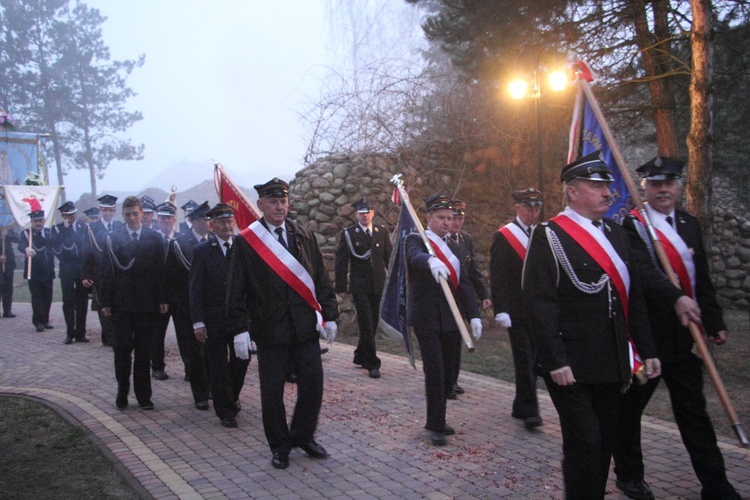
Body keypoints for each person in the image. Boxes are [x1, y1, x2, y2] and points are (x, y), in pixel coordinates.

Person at [522, 152, 661, 498]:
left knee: (604, 442)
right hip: (572, 364)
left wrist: (647, 349)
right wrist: (555, 360)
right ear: (572, 191)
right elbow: (540, 303)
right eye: (596, 186)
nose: (606, 193)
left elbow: (635, 297)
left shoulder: (615, 233)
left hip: (613, 362)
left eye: (607, 186)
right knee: (585, 442)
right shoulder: (550, 235)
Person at [612, 156, 741, 500]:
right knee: (629, 410)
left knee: (693, 413)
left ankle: (716, 486)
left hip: (685, 336)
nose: (663, 189)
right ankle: (629, 475)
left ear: (679, 186)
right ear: (645, 189)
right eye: (655, 184)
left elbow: (701, 277)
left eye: (668, 183)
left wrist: (713, 320)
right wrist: (675, 297)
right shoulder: (631, 226)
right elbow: (641, 271)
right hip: (648, 337)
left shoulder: (688, 223)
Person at [226, 178, 338, 470]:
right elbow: (236, 290)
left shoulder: (303, 234)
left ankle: (302, 435)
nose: (279, 206)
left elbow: (320, 280)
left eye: (283, 201)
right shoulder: (247, 241)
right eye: (273, 202)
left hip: (303, 327)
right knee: (272, 392)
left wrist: (330, 315)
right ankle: (280, 445)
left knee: (313, 385)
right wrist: (239, 329)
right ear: (261, 205)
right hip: (269, 329)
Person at [405, 194, 482, 446]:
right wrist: (430, 259)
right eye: (441, 218)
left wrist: (474, 315)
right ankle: (435, 423)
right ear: (429, 218)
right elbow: (414, 256)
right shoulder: (417, 239)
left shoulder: (456, 245)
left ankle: (438, 417)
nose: (447, 222)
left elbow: (466, 282)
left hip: (452, 318)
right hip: (427, 318)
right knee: (435, 371)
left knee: (449, 373)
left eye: (450, 218)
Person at [100, 196, 168, 411]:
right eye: (128, 214)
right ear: (123, 215)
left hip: (146, 305)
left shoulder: (154, 238)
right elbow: (106, 272)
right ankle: (122, 392)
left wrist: (162, 298)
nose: (131, 217)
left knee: (144, 352)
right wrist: (106, 302)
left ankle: (144, 396)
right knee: (121, 351)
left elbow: (160, 272)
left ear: (143, 214)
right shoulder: (113, 238)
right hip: (121, 305)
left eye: (135, 213)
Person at [190, 203, 250, 428]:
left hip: (239, 318)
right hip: (213, 317)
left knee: (242, 359)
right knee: (217, 364)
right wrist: (198, 322)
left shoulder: (243, 247)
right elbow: (195, 289)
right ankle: (225, 410)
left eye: (229, 221)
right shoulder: (202, 251)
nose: (227, 225)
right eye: (221, 222)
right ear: (212, 225)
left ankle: (231, 395)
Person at [489, 188, 544, 428]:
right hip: (517, 310)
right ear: (518, 208)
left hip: (539, 309)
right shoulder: (505, 236)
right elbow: (498, 277)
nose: (533, 213)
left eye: (537, 208)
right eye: (529, 208)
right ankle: (531, 410)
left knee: (537, 357)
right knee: (524, 359)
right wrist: (501, 309)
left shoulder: (543, 233)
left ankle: (521, 404)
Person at [334, 198, 392, 379]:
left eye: (367, 212)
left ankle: (360, 354)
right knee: (366, 322)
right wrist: (341, 286)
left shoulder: (381, 232)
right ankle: (372, 363)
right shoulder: (349, 234)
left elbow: (388, 258)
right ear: (356, 215)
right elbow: (341, 261)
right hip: (360, 286)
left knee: (373, 322)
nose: (365, 216)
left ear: (373, 213)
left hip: (378, 285)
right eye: (361, 213)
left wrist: (395, 282)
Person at [164, 201, 211, 392]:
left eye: (209, 218)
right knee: (193, 349)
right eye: (204, 219)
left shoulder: (215, 241)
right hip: (187, 304)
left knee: (211, 350)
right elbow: (170, 275)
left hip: (211, 305)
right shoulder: (180, 244)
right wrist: (173, 302)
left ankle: (211, 386)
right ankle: (199, 392)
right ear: (194, 221)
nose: (208, 222)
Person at [447, 199, 491, 397]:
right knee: (448, 339)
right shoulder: (440, 240)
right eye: (454, 218)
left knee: (457, 340)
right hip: (447, 298)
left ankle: (452, 379)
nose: (457, 223)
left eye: (460, 219)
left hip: (463, 297)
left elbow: (472, 271)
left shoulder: (466, 239)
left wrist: (483, 295)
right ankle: (445, 381)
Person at [82, 194, 122, 346]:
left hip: (117, 272)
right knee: (102, 304)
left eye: (111, 210)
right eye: (105, 210)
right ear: (100, 210)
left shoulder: (120, 226)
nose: (108, 213)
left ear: (114, 210)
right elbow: (86, 253)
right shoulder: (92, 229)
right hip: (100, 273)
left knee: (116, 303)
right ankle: (109, 336)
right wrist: (85, 275)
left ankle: (112, 334)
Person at [150, 201, 183, 381]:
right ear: (157, 220)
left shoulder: (181, 239)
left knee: (184, 335)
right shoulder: (151, 240)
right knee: (157, 334)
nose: (165, 221)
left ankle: (190, 368)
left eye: (169, 218)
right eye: (162, 218)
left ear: (174, 220)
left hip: (178, 296)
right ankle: (157, 366)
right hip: (158, 296)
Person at [52, 201, 90, 344]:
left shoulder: (83, 227)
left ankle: (81, 333)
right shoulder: (57, 229)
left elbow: (88, 248)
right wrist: (65, 230)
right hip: (67, 269)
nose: (71, 217)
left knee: (82, 301)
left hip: (81, 269)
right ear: (63, 215)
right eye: (68, 215)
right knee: (68, 302)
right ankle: (70, 332)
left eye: (73, 214)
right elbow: (56, 248)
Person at [19, 210, 55, 332]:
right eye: (35, 221)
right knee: (37, 297)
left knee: (48, 296)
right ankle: (38, 321)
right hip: (33, 271)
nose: (38, 223)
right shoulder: (26, 234)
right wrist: (26, 248)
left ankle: (45, 320)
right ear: (32, 222)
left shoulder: (49, 233)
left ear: (44, 221)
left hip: (48, 270)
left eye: (40, 220)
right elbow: (21, 245)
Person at [0, 226, 18, 318]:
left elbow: (17, 239)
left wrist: (8, 234)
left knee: (8, 286)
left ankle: (7, 310)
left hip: (8, 262)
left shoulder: (8, 226)